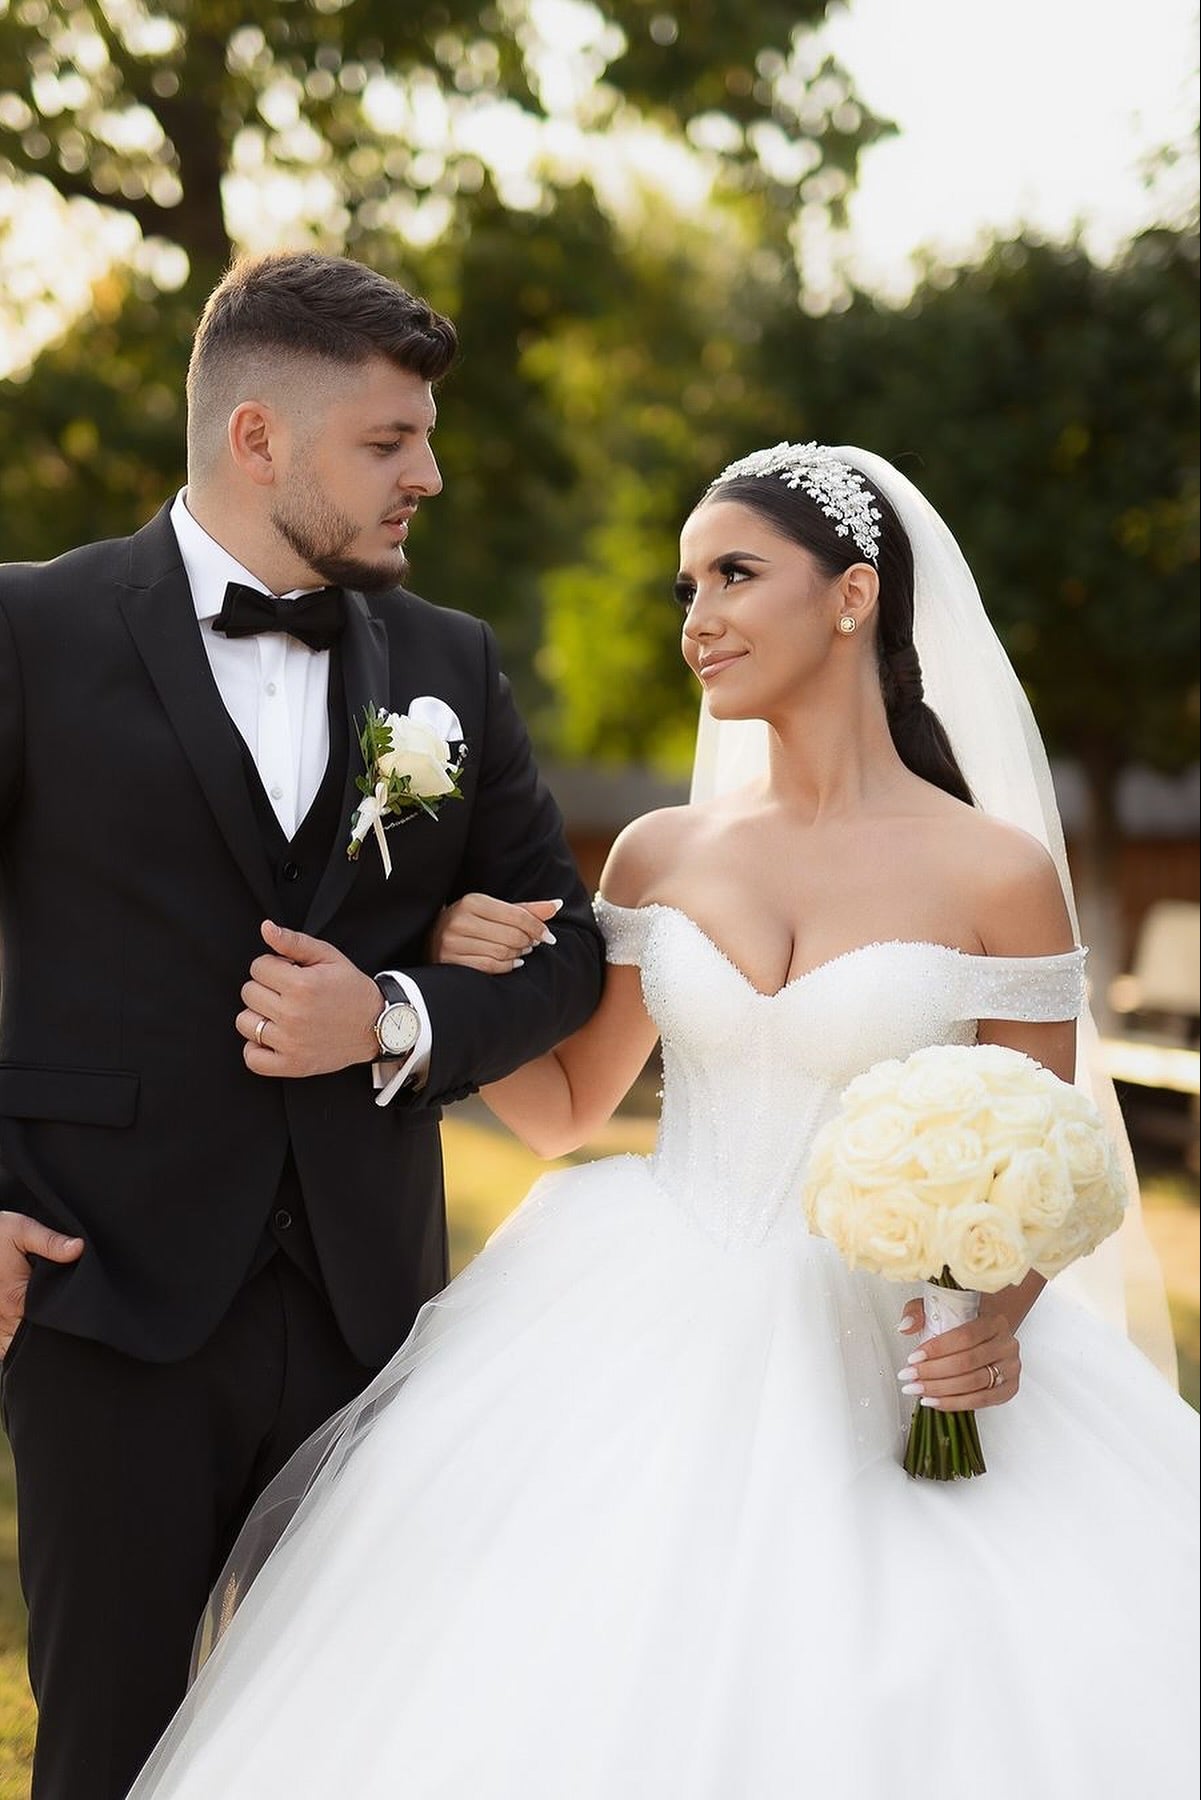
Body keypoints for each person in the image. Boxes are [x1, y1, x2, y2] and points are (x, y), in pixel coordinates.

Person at [129, 444, 1198, 1799]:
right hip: (629, 1320)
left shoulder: (994, 873)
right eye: (684, 584)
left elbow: (1045, 1162)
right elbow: (566, 1107)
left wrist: (995, 1323)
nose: (696, 618)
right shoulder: (658, 852)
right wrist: (453, 1001)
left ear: (855, 595)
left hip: (885, 1352)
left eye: (735, 576)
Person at [0, 249, 604, 1800]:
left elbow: (567, 955)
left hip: (370, 1317)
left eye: (426, 437)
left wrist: (394, 1014)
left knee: (358, 1755)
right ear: (257, 437)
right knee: (107, 1752)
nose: (430, 473)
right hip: (102, 1297)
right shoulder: (28, 629)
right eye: (388, 442)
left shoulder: (449, 663)